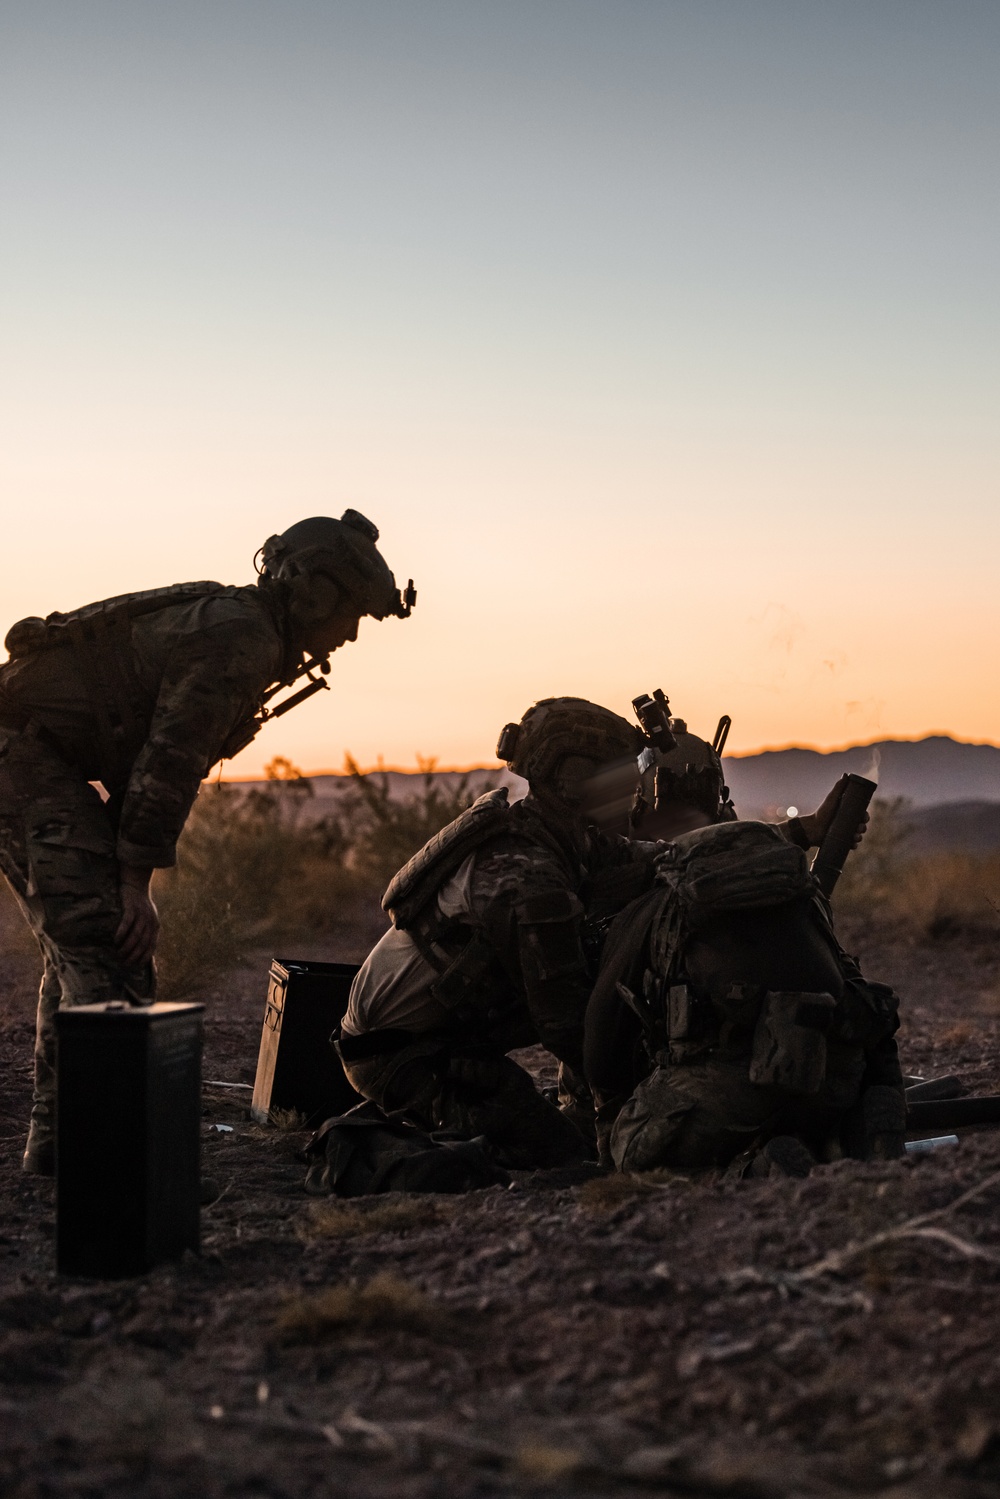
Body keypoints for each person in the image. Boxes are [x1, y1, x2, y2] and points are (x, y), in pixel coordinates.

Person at [0, 511, 415, 1173]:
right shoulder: (239, 638)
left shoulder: (238, 621)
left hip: (33, 756)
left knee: (79, 950)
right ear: (317, 593)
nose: (351, 633)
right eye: (352, 613)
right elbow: (168, 760)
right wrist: (134, 882)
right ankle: (114, 1175)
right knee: (109, 946)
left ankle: (59, 1158)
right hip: (22, 755)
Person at [336, 697, 664, 1169]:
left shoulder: (554, 834)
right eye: (619, 775)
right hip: (401, 1058)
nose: (634, 790)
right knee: (567, 1156)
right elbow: (566, 1025)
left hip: (436, 1040)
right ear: (573, 778)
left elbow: (654, 861)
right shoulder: (524, 874)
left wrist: (794, 836)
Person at [583, 716, 903, 1176]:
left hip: (728, 1095)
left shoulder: (655, 902)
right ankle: (861, 1125)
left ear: (641, 805)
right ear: (721, 801)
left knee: (631, 1147)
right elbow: (857, 993)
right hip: (831, 1081)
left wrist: (610, 1122)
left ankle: (752, 1170)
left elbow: (601, 1049)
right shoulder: (788, 878)